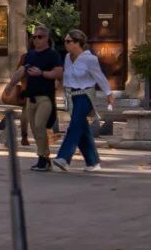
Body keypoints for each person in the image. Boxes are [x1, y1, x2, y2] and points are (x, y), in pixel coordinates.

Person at [55, 29, 113, 171]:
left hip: (85, 95)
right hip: (71, 96)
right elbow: (67, 77)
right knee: (82, 128)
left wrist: (109, 93)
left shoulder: (90, 59)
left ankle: (63, 157)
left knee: (75, 124)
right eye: (65, 41)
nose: (65, 44)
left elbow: (99, 76)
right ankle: (93, 162)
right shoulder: (68, 57)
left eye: (68, 41)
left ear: (78, 43)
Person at [21, 25, 64, 168]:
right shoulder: (30, 55)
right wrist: (10, 85)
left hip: (45, 97)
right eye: (34, 37)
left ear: (46, 38)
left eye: (40, 37)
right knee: (35, 129)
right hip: (31, 98)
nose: (36, 40)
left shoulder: (53, 55)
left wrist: (42, 73)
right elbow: (22, 70)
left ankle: (43, 158)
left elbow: (59, 73)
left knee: (40, 126)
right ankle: (44, 158)